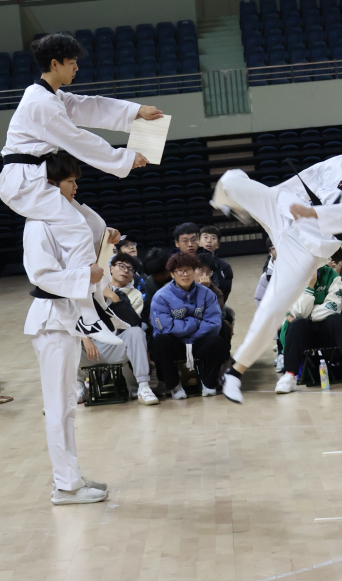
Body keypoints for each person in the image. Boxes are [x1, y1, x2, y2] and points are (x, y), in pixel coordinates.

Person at [212, 106, 342, 403]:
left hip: (307, 248)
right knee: (231, 179)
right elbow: (298, 183)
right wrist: (265, 202)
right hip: (286, 213)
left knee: (273, 308)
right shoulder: (340, 162)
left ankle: (234, 372)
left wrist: (318, 213)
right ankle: (235, 205)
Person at [0, 33, 162, 344]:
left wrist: (136, 111)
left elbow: (90, 107)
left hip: (36, 177)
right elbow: (78, 141)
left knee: (95, 225)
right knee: (76, 227)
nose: (76, 68)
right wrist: (125, 158)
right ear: (55, 64)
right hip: (23, 182)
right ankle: (86, 315)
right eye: (72, 63)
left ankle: (99, 303)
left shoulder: (51, 96)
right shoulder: (40, 103)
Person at [23, 153, 111, 505]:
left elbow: (90, 238)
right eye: (70, 182)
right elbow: (42, 276)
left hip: (67, 320)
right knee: (58, 407)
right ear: (50, 184)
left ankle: (70, 475)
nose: (76, 187)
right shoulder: (38, 223)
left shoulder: (64, 217)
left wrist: (105, 243)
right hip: (52, 320)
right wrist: (84, 275)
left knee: (68, 405)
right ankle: (66, 486)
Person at [78, 252, 158, 406]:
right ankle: (77, 386)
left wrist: (114, 298)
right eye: (121, 266)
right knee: (63, 337)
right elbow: (69, 321)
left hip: (113, 347)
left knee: (137, 332)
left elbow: (133, 322)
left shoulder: (120, 295)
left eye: (130, 269)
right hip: (86, 351)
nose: (125, 270)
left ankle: (143, 387)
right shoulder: (80, 294)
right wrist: (84, 338)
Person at [150, 253, 226, 399]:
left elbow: (213, 323)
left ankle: (209, 383)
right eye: (180, 271)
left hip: (198, 341)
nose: (185, 274)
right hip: (175, 342)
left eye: (189, 270)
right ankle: (174, 385)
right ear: (172, 274)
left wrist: (190, 334)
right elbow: (165, 327)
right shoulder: (160, 297)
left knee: (217, 340)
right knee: (160, 341)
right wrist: (195, 322)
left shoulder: (207, 294)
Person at [275, 264, 342, 394]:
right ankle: (289, 375)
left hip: (324, 329)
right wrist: (310, 287)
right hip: (301, 333)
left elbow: (333, 307)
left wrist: (309, 315)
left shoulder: (331, 275)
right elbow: (299, 312)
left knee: (337, 320)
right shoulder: (290, 278)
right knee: (298, 324)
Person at [198, 225, 234, 302]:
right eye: (205, 237)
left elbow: (224, 292)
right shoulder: (191, 262)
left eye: (213, 238)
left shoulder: (225, 267)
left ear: (217, 245)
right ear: (199, 242)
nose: (209, 241)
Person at [141, 247, 172, 328]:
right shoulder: (150, 281)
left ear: (167, 271)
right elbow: (149, 307)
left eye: (155, 275)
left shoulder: (182, 276)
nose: (154, 278)